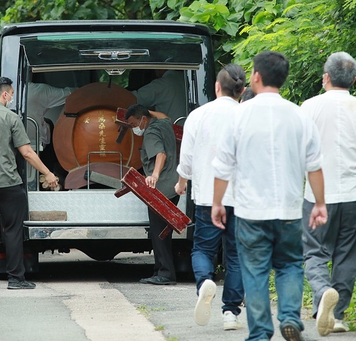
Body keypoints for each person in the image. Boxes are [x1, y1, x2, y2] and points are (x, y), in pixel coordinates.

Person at [211, 51, 328, 341]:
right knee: (289, 265)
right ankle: (289, 317)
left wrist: (217, 203)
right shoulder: (298, 115)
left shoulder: (239, 116)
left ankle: (261, 333)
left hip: (251, 212)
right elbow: (315, 166)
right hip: (289, 210)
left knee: (255, 271)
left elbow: (222, 166)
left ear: (257, 77)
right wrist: (320, 203)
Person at [301, 52, 356, 335]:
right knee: (347, 255)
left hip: (316, 195)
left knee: (314, 251)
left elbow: (296, 152)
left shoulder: (308, 108)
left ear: (325, 77)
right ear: (354, 79)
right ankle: (336, 315)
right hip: (353, 193)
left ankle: (324, 291)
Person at [0, 77, 58, 290]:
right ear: (6, 94)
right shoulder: (11, 118)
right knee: (13, 231)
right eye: (11, 94)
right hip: (8, 184)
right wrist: (48, 173)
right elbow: (26, 151)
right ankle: (16, 279)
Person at [175, 64, 246, 330]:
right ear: (243, 90)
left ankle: (205, 280)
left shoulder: (198, 115)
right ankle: (231, 313)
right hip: (241, 198)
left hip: (207, 196)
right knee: (237, 255)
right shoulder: (246, 115)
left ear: (217, 87)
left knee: (203, 248)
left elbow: (188, 157)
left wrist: (182, 182)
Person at [125, 104, 179, 285]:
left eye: (134, 124)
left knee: (159, 233)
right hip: (173, 185)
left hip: (161, 189)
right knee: (163, 232)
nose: (134, 128)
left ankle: (165, 274)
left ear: (144, 120)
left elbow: (160, 154)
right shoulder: (164, 124)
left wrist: (154, 175)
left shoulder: (150, 133)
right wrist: (145, 111)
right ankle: (161, 270)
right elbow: (164, 115)